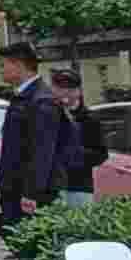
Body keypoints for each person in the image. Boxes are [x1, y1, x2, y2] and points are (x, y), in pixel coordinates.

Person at [0, 42, 76, 223]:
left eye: (3, 65)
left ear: (18, 65)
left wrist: (31, 193)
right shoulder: (25, 96)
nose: (1, 70)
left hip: (29, 193)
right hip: (14, 187)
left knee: (26, 236)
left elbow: (42, 151)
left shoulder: (42, 101)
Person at [50, 69, 106, 201]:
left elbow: (101, 155)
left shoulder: (90, 119)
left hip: (79, 188)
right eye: (60, 88)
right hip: (50, 188)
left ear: (79, 91)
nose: (65, 92)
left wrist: (75, 154)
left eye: (70, 88)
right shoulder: (47, 115)